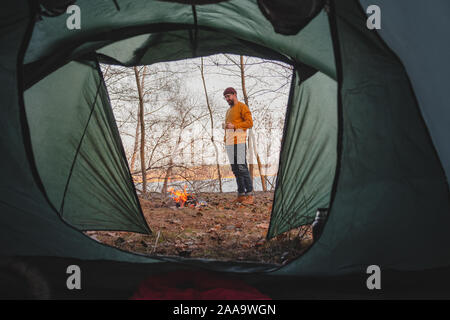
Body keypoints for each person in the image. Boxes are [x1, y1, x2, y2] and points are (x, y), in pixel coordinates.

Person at [223, 87, 254, 204]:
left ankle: (249, 195)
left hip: (239, 142)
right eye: (225, 97)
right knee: (236, 170)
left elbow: (250, 123)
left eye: (228, 96)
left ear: (235, 94)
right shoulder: (228, 111)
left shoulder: (242, 107)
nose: (227, 99)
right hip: (230, 143)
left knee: (242, 168)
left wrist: (234, 126)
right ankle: (241, 195)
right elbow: (230, 126)